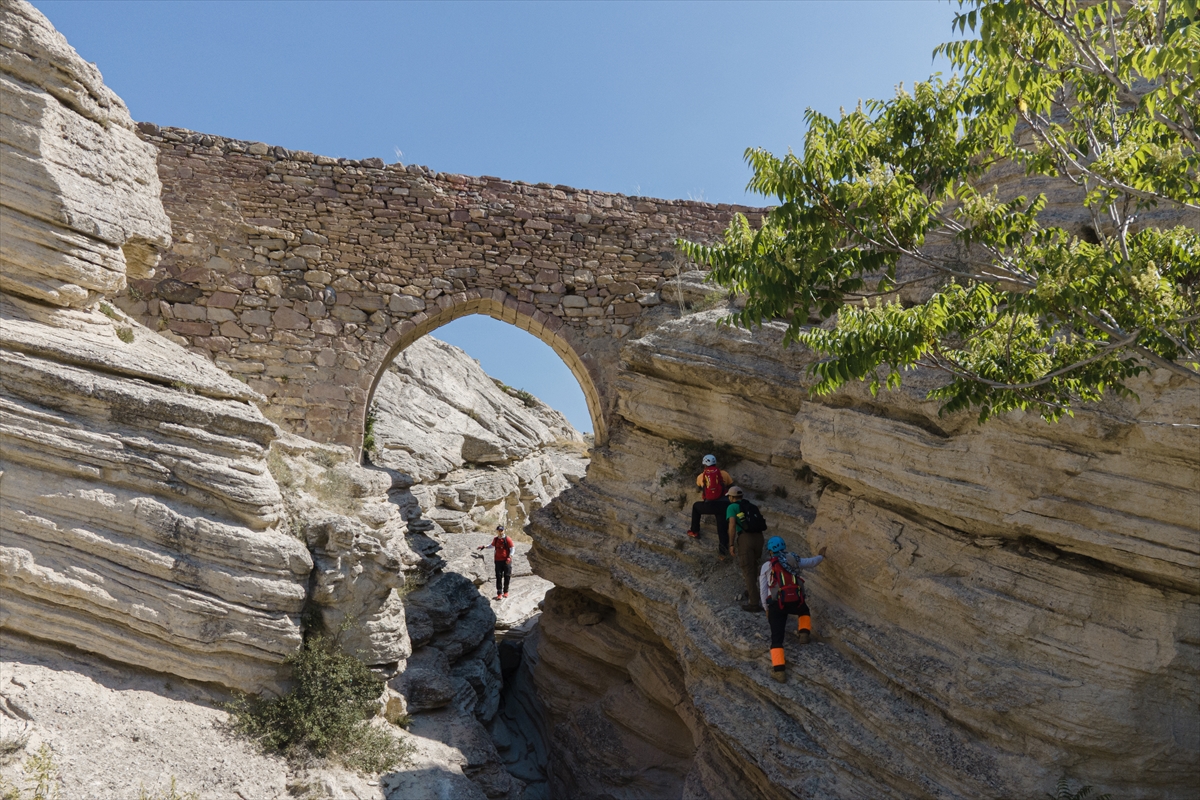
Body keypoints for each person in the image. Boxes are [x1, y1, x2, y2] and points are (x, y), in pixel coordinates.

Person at [759, 535, 827, 683]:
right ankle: (804, 633)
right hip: (795, 600)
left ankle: (779, 672)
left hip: (777, 604)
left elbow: (764, 590)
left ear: (770, 550)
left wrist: (766, 608)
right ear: (784, 546)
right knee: (804, 611)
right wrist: (821, 556)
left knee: (776, 639)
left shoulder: (767, 566)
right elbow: (811, 562)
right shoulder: (792, 559)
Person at [725, 487, 765, 612]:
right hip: (759, 538)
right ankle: (752, 591)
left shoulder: (732, 507)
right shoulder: (752, 506)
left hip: (745, 539)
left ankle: (754, 603)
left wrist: (731, 544)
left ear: (731, 497)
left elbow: (732, 525)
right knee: (754, 565)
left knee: (747, 569)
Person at [686, 454, 734, 556]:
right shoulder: (724, 474)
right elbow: (731, 486)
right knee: (722, 529)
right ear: (715, 463)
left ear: (704, 465)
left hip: (710, 505)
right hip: (724, 505)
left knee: (696, 506)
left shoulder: (701, 476)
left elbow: (701, 487)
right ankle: (723, 554)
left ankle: (694, 531)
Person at [477, 525, 514, 600]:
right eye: (499, 531)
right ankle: (499, 593)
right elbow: (492, 545)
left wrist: (510, 557)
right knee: (498, 577)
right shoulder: (496, 539)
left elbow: (512, 548)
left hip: (506, 561)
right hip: (498, 561)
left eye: (501, 530)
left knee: (507, 576)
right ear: (497, 531)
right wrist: (484, 546)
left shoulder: (507, 539)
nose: (500, 532)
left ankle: (506, 591)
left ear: (504, 531)